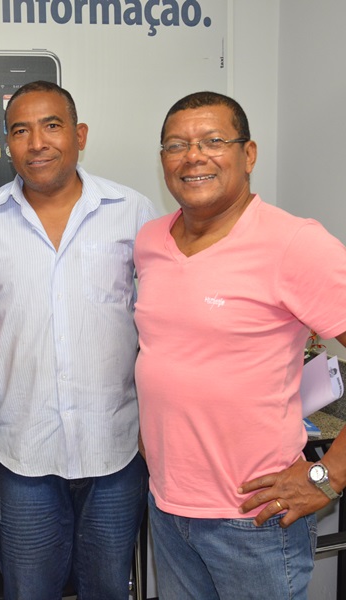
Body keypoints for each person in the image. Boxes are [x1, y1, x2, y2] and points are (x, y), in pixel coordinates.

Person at [134, 90, 346, 599]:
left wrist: (328, 474)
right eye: (176, 145)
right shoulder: (150, 241)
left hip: (252, 519)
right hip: (167, 508)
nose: (193, 156)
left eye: (213, 141)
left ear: (248, 154)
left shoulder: (294, 243)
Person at [0, 80, 155, 599]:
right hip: (20, 455)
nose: (36, 142)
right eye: (20, 130)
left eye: (52, 126)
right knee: (28, 589)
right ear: (8, 144)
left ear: (79, 135)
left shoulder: (133, 212)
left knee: (109, 589)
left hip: (116, 449)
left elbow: (161, 328)